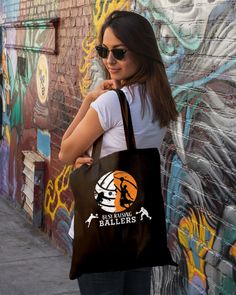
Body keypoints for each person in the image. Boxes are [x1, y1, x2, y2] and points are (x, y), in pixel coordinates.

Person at [59, 10, 178, 295]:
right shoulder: (160, 100)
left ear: (142, 52)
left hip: (102, 232)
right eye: (104, 50)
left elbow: (65, 151)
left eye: (119, 52)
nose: (109, 61)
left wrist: (89, 100)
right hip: (140, 229)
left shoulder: (112, 102)